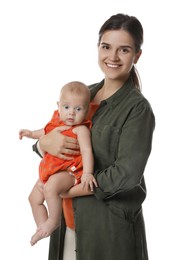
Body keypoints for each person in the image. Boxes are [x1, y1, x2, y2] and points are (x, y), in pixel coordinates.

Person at [33, 13, 155, 260]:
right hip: (67, 225)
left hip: (107, 230)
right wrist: (41, 143)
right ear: (98, 47)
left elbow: (127, 174)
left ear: (137, 55)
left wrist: (69, 190)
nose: (112, 57)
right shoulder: (81, 95)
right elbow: (51, 134)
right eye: (106, 47)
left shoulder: (137, 109)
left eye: (124, 50)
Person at [19, 81, 97, 246]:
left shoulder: (80, 130)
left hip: (70, 172)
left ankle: (54, 220)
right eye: (66, 107)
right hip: (50, 172)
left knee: (51, 188)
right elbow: (44, 131)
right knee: (33, 198)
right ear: (58, 106)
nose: (71, 114)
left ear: (87, 110)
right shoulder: (56, 121)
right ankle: (42, 227)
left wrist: (88, 173)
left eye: (78, 109)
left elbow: (87, 151)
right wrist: (31, 133)